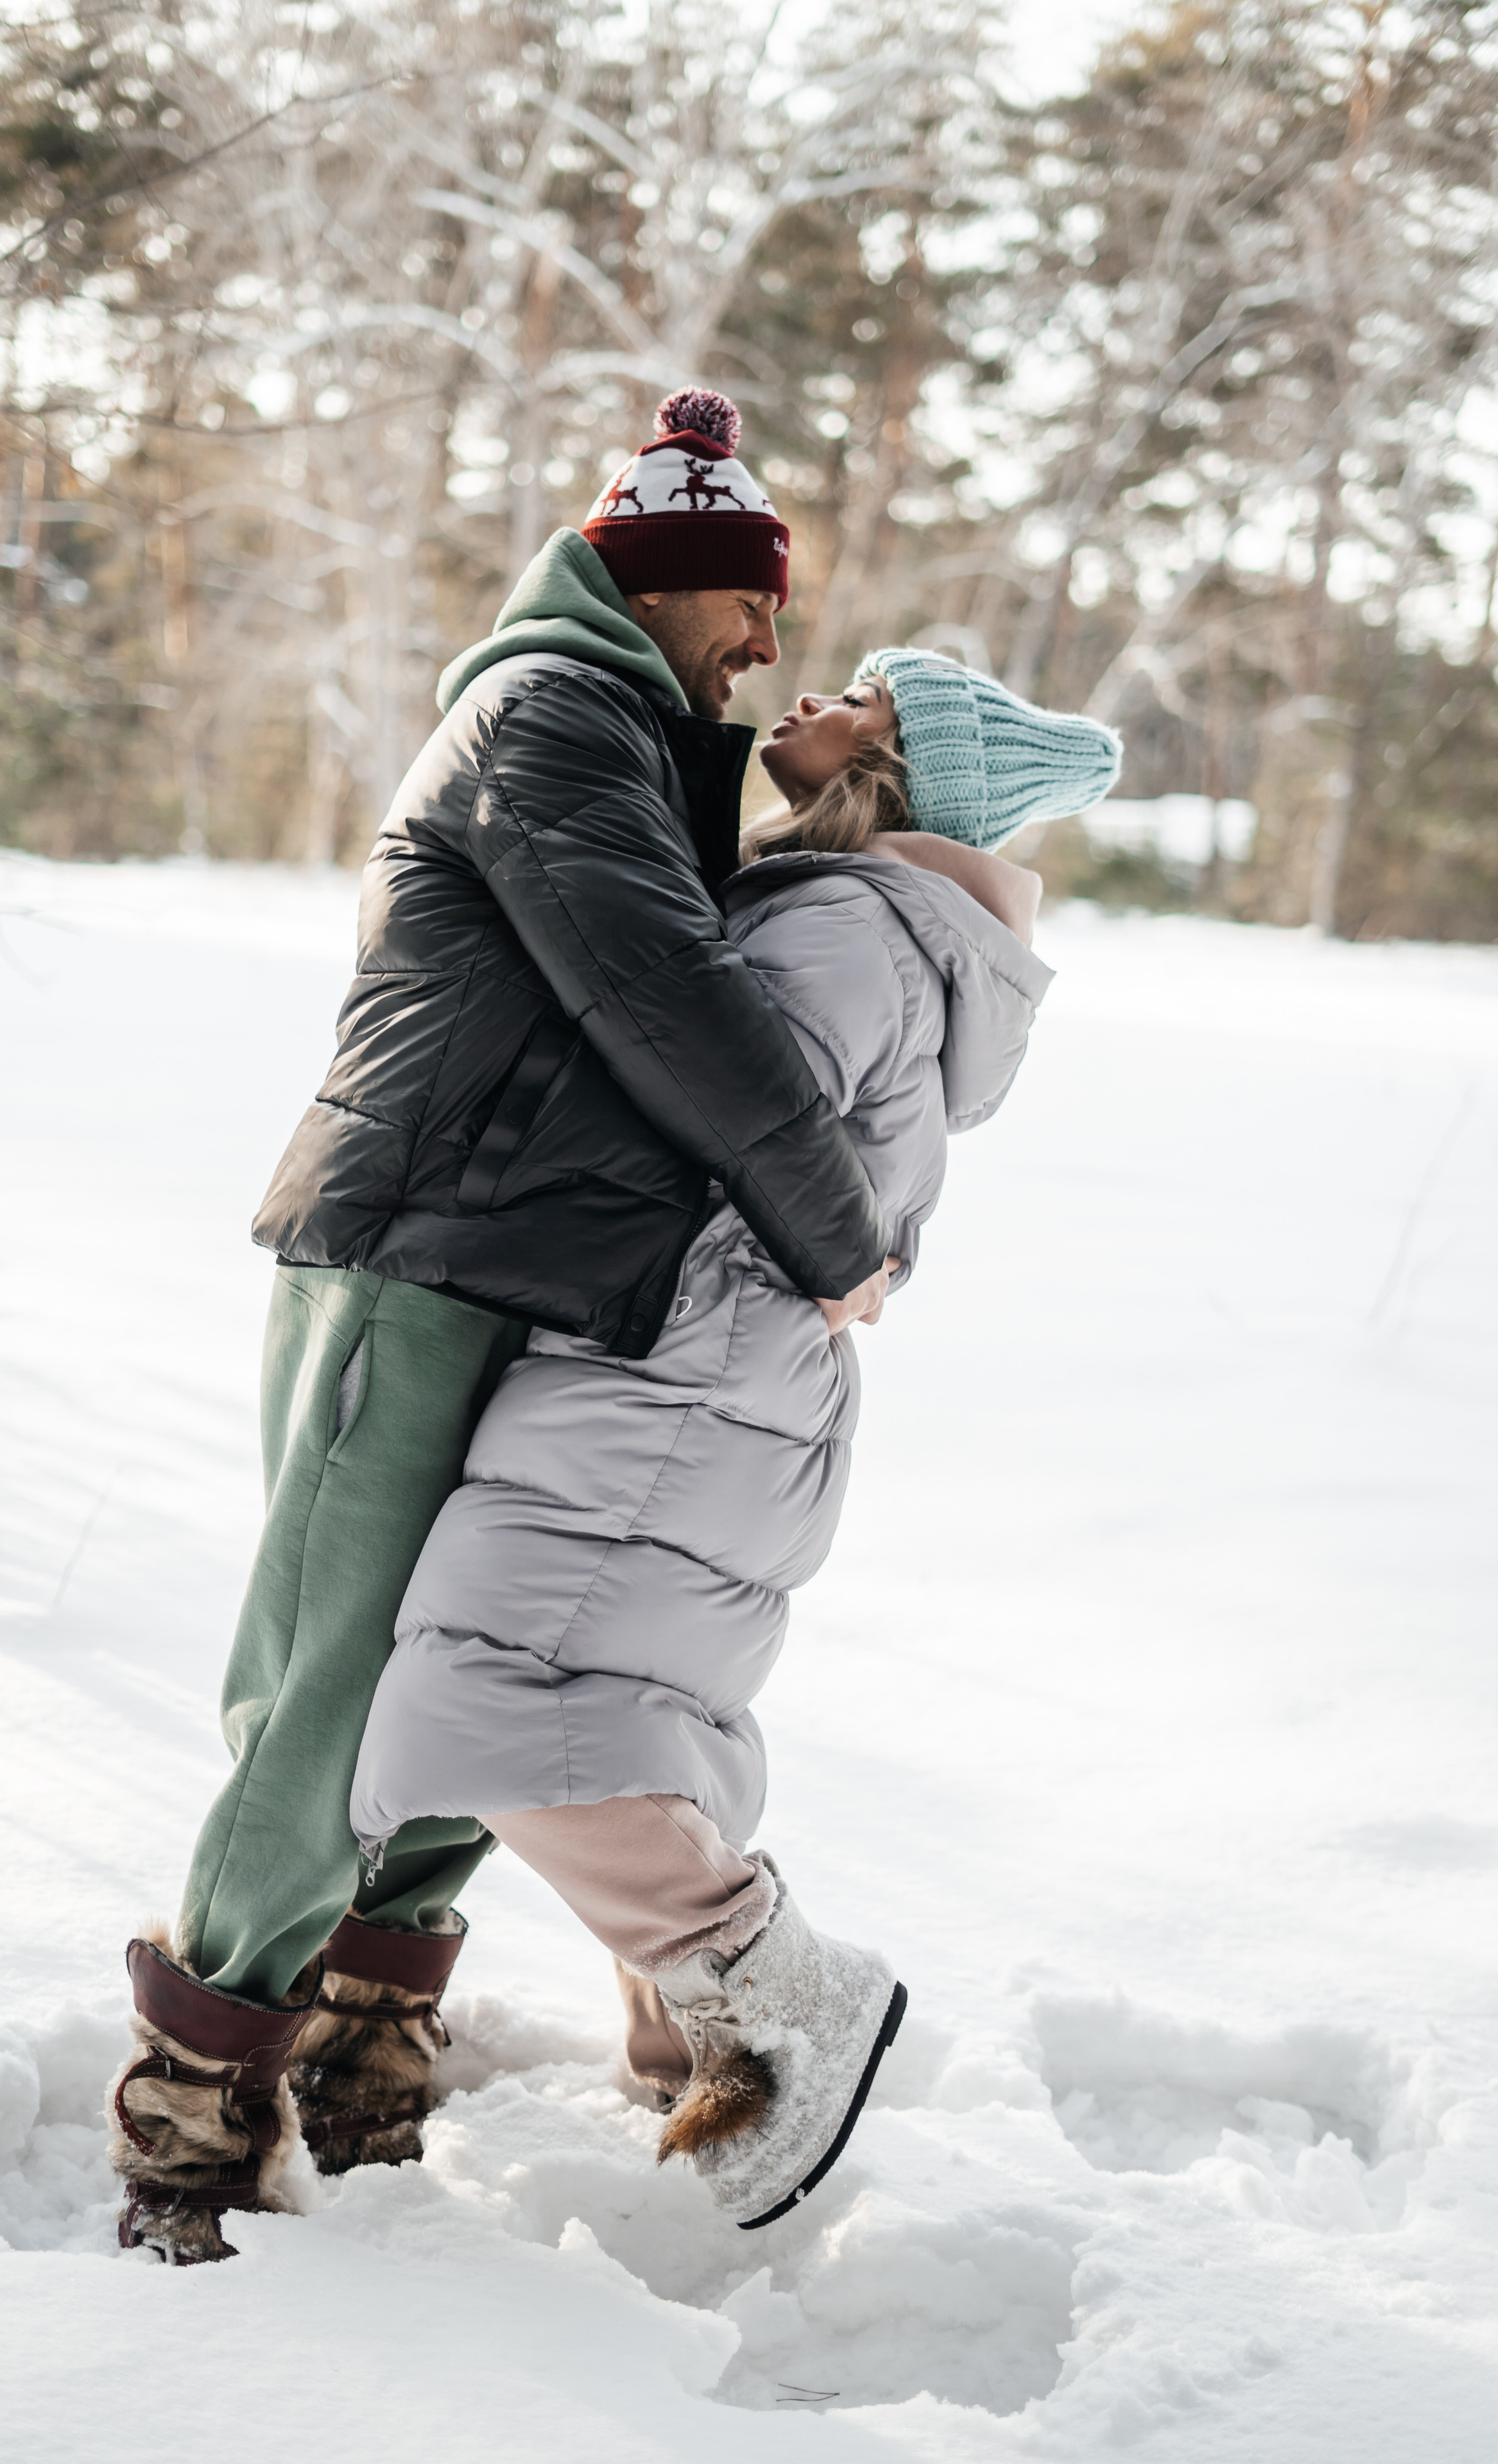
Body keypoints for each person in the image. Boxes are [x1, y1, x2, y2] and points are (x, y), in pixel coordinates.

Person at [105, 391, 904, 2265]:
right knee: (328, 1690)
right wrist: (835, 1238)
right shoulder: (547, 714)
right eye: (749, 603)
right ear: (666, 583)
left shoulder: (620, 735)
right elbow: (661, 984)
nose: (765, 644)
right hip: (414, 1260)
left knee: (458, 1655)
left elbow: (670, 925)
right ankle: (194, 2114)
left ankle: (366, 2034)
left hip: (525, 1273)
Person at [349, 650, 1120, 2227]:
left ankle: (770, 1985)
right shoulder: (884, 924)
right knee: (628, 1705)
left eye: (863, 701)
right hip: (726, 1375)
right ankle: (695, 2053)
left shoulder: (843, 925)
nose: (812, 701)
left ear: (898, 773)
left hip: (680, 1368)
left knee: (490, 1686)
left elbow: (723, 1122)